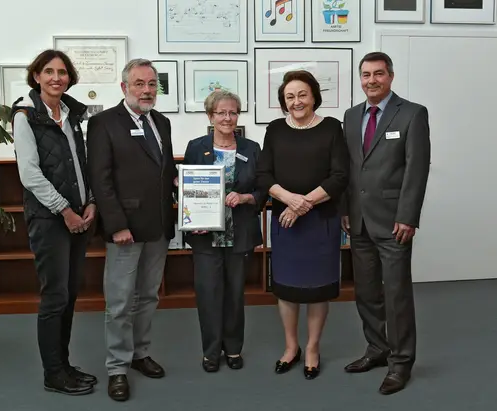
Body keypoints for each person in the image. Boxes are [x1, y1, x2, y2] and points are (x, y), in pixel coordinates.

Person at [86, 58, 177, 402]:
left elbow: (163, 173)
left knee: (149, 296)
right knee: (121, 301)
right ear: (124, 87)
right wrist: (117, 224)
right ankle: (117, 367)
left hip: (158, 226)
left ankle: (140, 353)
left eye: (152, 84)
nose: (147, 90)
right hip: (125, 228)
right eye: (139, 83)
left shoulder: (162, 123)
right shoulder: (103, 123)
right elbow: (101, 178)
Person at [341, 51, 431, 395]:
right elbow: (350, 168)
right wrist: (346, 210)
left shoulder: (411, 113)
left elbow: (416, 168)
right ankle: (376, 350)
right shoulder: (350, 117)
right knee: (366, 293)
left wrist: (408, 216)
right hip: (359, 221)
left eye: (378, 74)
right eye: (365, 75)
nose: (371, 81)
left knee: (396, 295)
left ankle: (401, 362)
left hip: (394, 223)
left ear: (390, 76)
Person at [11, 49, 97, 396]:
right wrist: (66, 210)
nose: (56, 78)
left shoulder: (72, 114)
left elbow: (81, 163)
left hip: (78, 215)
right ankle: (53, 373)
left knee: (70, 294)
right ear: (36, 76)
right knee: (54, 297)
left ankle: (63, 364)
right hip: (50, 218)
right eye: (48, 71)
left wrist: (89, 201)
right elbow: (29, 173)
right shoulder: (25, 115)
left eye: (62, 72)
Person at [256, 70, 349, 380]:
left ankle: (312, 348)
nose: (296, 101)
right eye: (290, 97)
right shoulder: (275, 130)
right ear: (284, 102)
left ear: (314, 96)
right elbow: (264, 176)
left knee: (318, 290)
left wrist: (303, 203)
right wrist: (290, 200)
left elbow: (339, 176)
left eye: (302, 94)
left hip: (321, 220)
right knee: (287, 289)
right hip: (286, 221)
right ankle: (291, 346)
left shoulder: (333, 128)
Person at [183, 90, 267, 373]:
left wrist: (245, 198)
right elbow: (188, 187)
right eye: (221, 113)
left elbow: (264, 189)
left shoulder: (252, 148)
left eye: (233, 112)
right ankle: (210, 351)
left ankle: (232, 349)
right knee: (208, 293)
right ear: (210, 116)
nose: (227, 118)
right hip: (205, 234)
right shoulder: (196, 147)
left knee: (234, 294)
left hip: (239, 232)